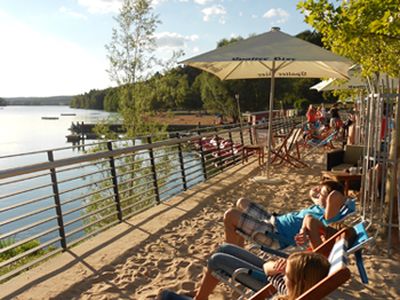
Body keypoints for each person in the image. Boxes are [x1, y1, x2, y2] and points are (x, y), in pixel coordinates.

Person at [158, 250, 330, 300]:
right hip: (269, 279)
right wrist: (277, 269)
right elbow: (267, 266)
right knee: (223, 249)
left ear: (299, 281)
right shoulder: (290, 290)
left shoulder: (287, 291)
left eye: (287, 274)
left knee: (165, 296)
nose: (284, 275)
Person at [223, 181, 345, 249]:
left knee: (230, 215)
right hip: (271, 219)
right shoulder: (319, 206)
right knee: (241, 202)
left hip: (275, 234)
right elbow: (312, 193)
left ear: (330, 199)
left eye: (322, 194)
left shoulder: (327, 216)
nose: (318, 195)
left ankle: (231, 252)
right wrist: (319, 189)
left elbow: (336, 196)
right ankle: (238, 249)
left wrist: (330, 192)